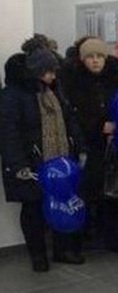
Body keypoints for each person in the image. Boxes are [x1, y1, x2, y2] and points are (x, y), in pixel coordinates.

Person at [1, 46, 87, 271]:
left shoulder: (55, 91)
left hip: (60, 160)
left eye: (54, 71)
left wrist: (79, 146)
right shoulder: (13, 95)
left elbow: (69, 120)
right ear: (36, 71)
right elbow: (9, 133)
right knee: (33, 208)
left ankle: (62, 250)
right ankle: (38, 255)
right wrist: (18, 165)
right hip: (31, 163)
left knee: (61, 202)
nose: (53, 76)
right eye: (48, 71)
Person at [61, 37, 118, 252]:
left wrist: (115, 123)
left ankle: (110, 234)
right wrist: (97, 125)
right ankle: (83, 233)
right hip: (87, 143)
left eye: (100, 56)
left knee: (112, 190)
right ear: (82, 60)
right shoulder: (74, 82)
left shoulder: (115, 78)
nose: (96, 61)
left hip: (113, 141)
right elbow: (74, 114)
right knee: (86, 190)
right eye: (90, 57)